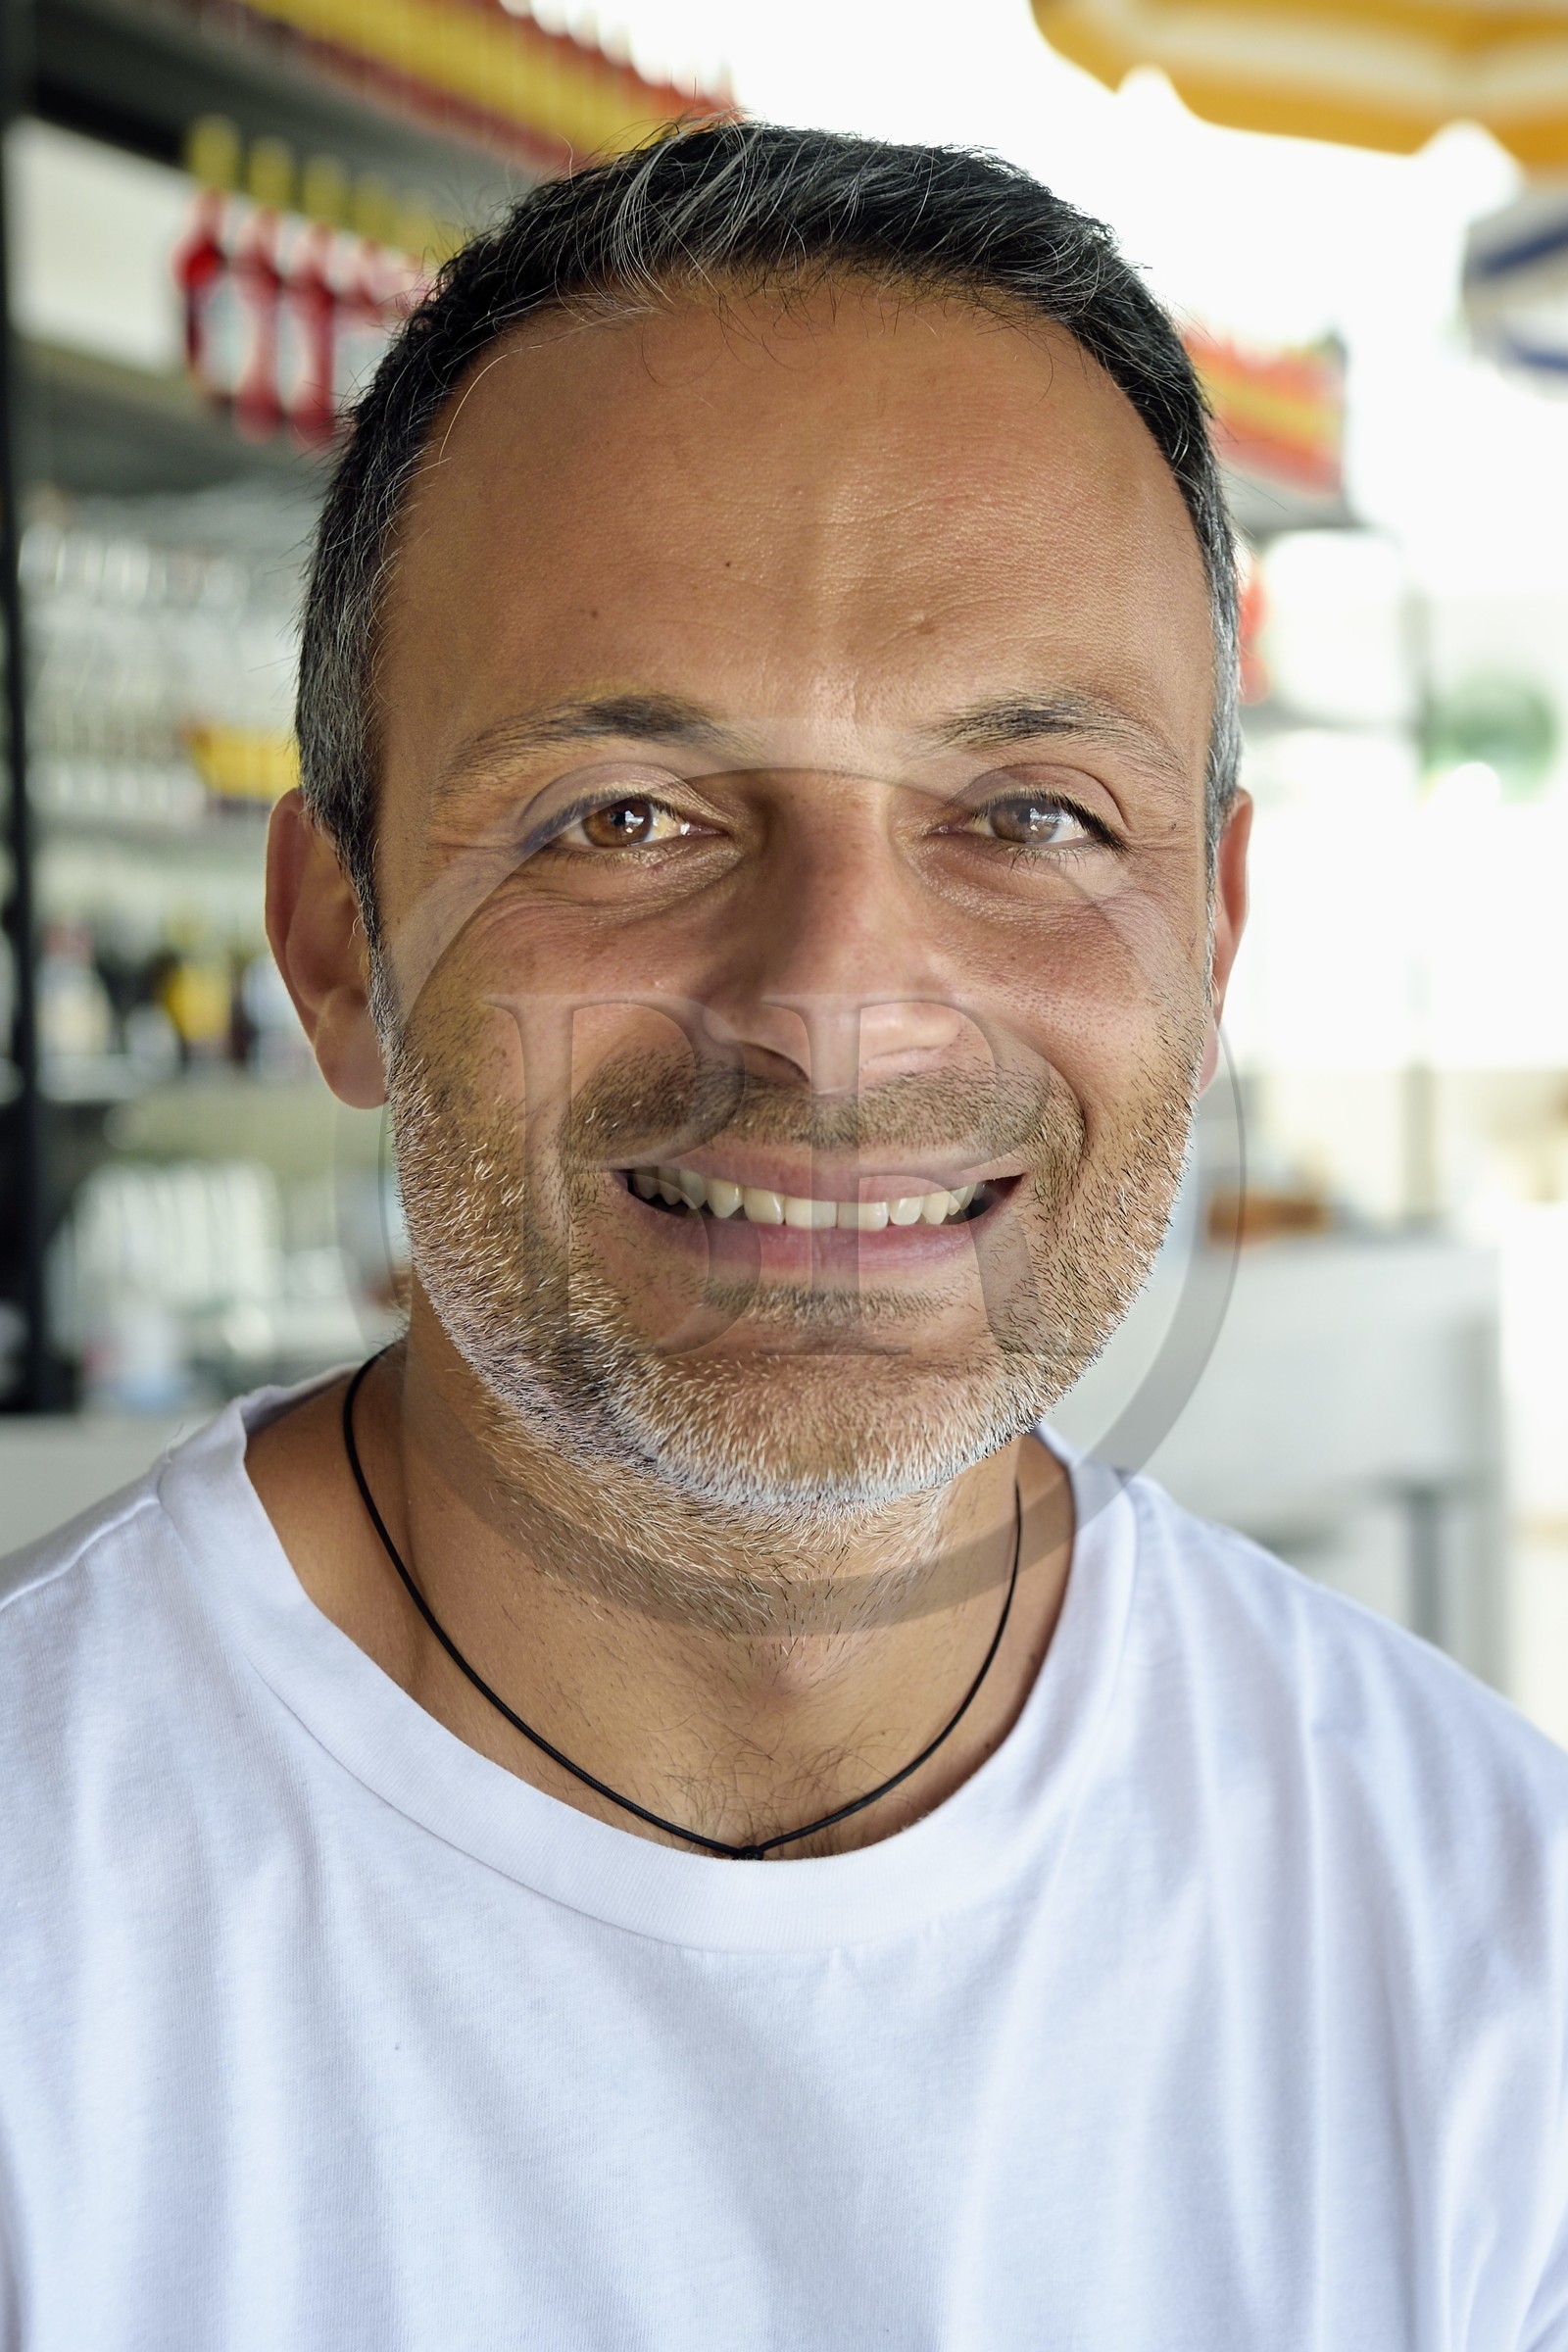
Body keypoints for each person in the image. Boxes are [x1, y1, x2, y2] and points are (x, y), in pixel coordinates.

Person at [2, 122, 1565, 2351]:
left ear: (1207, 944)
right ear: (333, 947)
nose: (837, 1017)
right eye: (622, 816)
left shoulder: (1494, 1956)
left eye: (1026, 816)